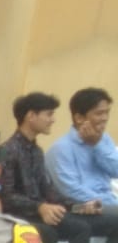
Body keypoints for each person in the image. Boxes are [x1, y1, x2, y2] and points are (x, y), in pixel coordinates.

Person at [2, 91, 117, 243]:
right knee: (72, 229)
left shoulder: (36, 151)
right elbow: (6, 196)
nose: (53, 120)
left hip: (44, 211)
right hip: (21, 214)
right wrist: (39, 207)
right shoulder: (8, 150)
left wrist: (80, 207)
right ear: (31, 116)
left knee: (105, 223)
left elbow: (49, 191)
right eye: (48, 114)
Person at [48, 86, 118, 226]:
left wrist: (97, 145)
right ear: (79, 118)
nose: (105, 118)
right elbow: (71, 191)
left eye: (107, 113)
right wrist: (111, 203)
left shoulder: (103, 139)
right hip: (80, 208)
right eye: (99, 113)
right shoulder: (61, 148)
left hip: (108, 203)